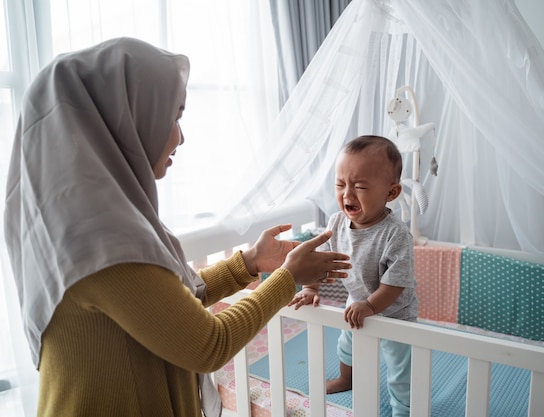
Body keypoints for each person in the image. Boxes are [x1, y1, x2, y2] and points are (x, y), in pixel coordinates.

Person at [3, 37, 351, 417]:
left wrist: (248, 263)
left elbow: (168, 303)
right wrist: (287, 278)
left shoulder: (94, 217)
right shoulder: (99, 241)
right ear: (124, 120)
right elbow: (208, 344)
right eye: (174, 117)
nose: (180, 137)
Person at [289, 135, 418, 417]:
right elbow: (318, 259)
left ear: (391, 192)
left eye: (360, 187)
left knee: (400, 368)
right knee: (346, 346)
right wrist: (311, 288)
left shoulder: (396, 235)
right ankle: (348, 379)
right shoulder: (336, 223)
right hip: (357, 302)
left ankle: (405, 408)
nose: (347, 194)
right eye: (340, 184)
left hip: (395, 313)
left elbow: (395, 284)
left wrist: (371, 306)